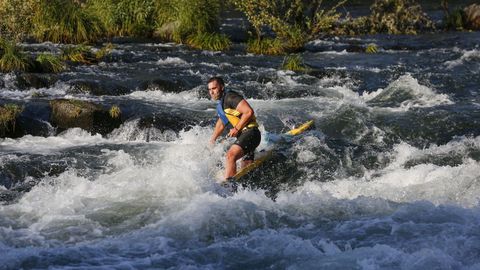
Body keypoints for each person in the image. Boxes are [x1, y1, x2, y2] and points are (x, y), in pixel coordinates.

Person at [208, 76, 261, 182]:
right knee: (245, 169)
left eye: (214, 88)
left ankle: (229, 188)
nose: (211, 92)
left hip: (251, 133)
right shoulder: (221, 104)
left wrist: (236, 128)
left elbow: (249, 111)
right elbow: (221, 123)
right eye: (209, 89)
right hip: (245, 136)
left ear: (222, 87)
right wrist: (212, 140)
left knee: (230, 156)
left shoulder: (230, 97)